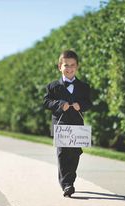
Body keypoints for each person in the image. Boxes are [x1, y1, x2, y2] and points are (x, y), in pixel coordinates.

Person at [43, 50, 92, 197]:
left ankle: (70, 179)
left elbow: (89, 103)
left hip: (77, 124)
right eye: (66, 65)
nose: (69, 68)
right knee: (63, 152)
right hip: (61, 124)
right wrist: (59, 104)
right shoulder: (53, 87)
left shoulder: (84, 87)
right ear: (60, 67)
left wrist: (80, 106)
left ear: (77, 67)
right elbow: (46, 102)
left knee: (75, 153)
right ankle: (67, 184)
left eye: (72, 65)